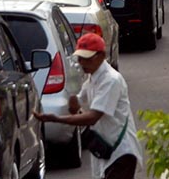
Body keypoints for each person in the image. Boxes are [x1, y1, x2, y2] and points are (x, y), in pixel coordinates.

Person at [36, 33, 143, 179]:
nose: (82, 63)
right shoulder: (92, 78)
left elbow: (93, 117)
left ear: (101, 56)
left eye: (87, 58)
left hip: (120, 152)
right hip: (107, 149)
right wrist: (73, 106)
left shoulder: (111, 80)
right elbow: (78, 108)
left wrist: (57, 119)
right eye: (80, 58)